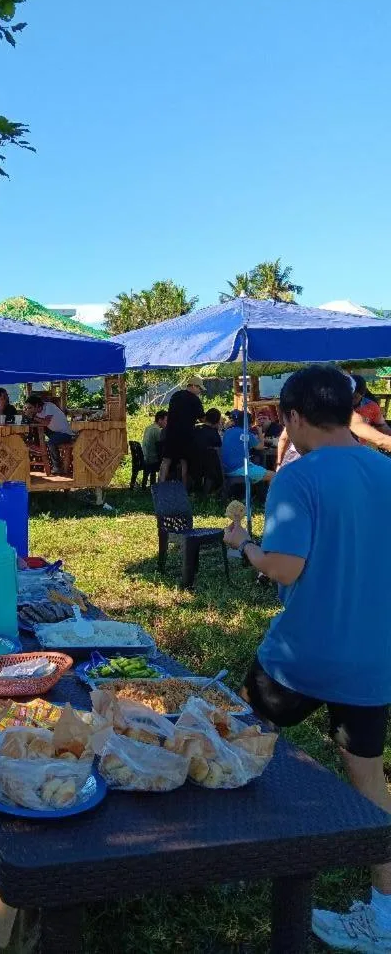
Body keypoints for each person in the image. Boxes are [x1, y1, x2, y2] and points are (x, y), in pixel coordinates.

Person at [224, 366, 391, 952]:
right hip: (375, 658)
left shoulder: (297, 478)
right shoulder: (386, 469)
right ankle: (385, 914)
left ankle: (242, 845)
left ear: (293, 419)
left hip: (302, 657)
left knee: (242, 731)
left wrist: (241, 542)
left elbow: (283, 567)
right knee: (368, 777)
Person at [159, 375, 206, 488]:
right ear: (193, 386)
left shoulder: (176, 395)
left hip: (170, 433)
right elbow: (203, 418)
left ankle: (160, 487)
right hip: (186, 435)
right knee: (184, 462)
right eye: (199, 389)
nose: (200, 391)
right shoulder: (194, 399)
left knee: (166, 461)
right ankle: (184, 489)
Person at [23, 394, 75, 475]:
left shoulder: (49, 406)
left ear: (37, 405)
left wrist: (32, 417)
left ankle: (57, 467)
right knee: (36, 428)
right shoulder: (37, 413)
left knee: (51, 442)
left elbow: (46, 422)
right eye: (27, 408)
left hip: (65, 434)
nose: (29, 410)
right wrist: (27, 416)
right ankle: (38, 447)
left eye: (30, 408)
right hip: (55, 432)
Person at [221, 410, 274, 485]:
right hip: (239, 469)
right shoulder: (246, 433)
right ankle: (269, 496)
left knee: (257, 464)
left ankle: (260, 493)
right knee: (274, 475)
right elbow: (261, 447)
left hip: (226, 469)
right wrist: (259, 431)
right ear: (250, 423)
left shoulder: (228, 431)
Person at [141, 410, 167, 487]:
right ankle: (165, 485)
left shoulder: (148, 428)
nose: (167, 423)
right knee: (169, 462)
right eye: (166, 420)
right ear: (160, 420)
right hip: (152, 459)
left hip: (146, 457)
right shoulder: (157, 430)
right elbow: (163, 446)